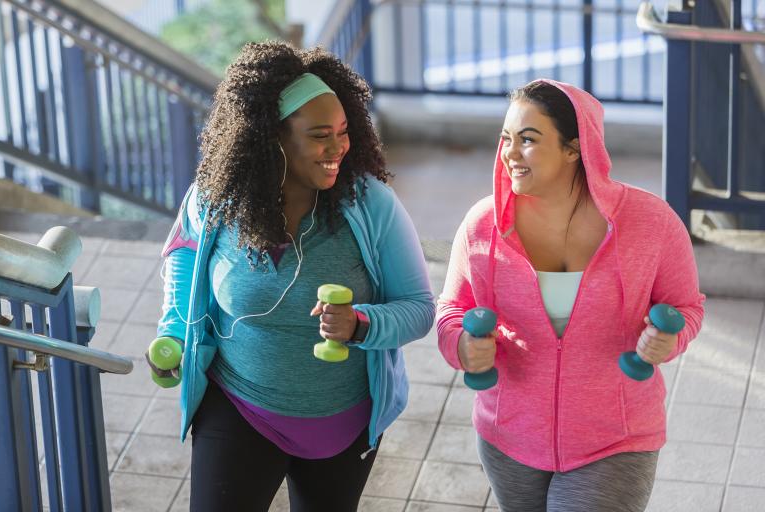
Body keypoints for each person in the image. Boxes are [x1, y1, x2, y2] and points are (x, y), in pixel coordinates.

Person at [149, 41, 435, 511]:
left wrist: (361, 325)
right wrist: (175, 331)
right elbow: (184, 252)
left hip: (343, 423)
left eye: (344, 131)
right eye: (321, 134)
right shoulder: (219, 197)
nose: (339, 147)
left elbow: (420, 309)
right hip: (240, 406)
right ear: (271, 137)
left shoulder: (371, 205)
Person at [436, 79, 705, 512]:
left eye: (528, 140)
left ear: (574, 149)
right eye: (506, 139)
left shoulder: (651, 224)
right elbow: (452, 310)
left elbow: (688, 306)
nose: (509, 153)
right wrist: (461, 346)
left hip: (615, 440)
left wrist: (670, 339)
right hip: (509, 437)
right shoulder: (482, 226)